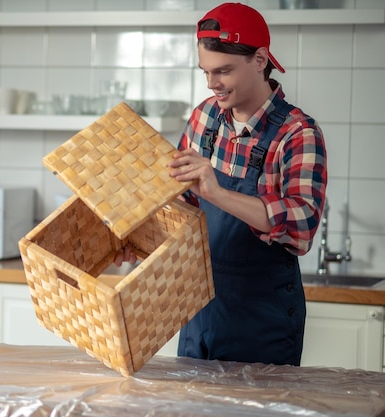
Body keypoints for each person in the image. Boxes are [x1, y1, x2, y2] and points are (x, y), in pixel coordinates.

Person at [116, 2, 327, 366]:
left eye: (224, 71)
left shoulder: (297, 133)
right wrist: (140, 237)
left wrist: (217, 192)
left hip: (261, 321)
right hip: (200, 311)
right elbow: (180, 207)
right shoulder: (204, 117)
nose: (213, 84)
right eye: (206, 72)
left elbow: (301, 225)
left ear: (260, 60)